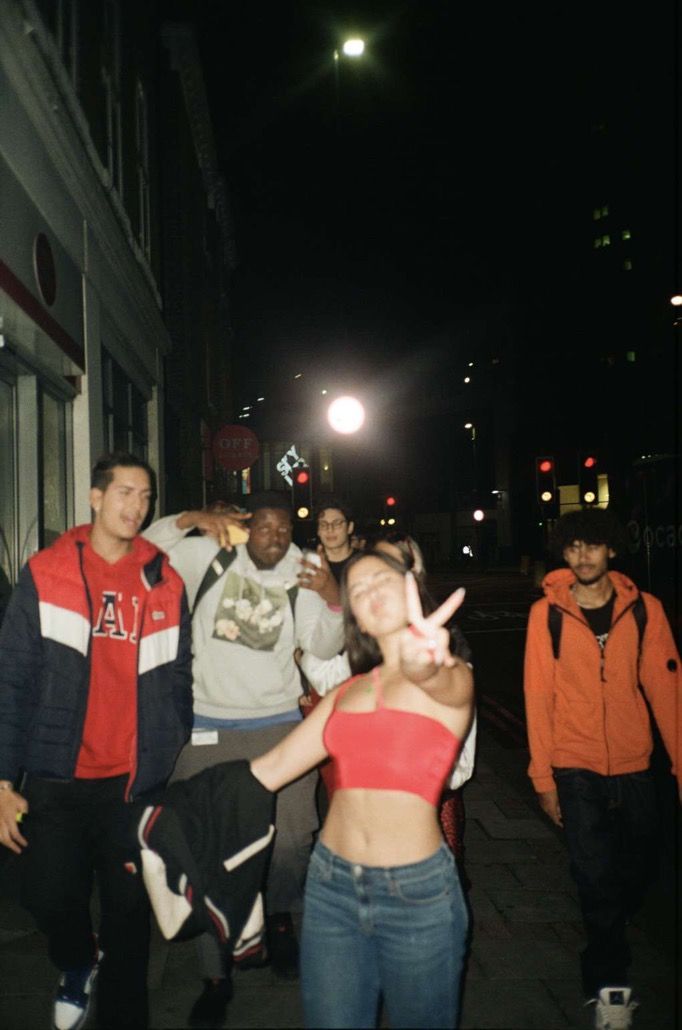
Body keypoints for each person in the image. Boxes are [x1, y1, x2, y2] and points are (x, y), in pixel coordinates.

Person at [0, 452, 193, 1030]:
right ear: (95, 497)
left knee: (129, 915)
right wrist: (3, 779)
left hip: (132, 781)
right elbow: (10, 678)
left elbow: (179, 669)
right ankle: (77, 962)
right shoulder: (46, 572)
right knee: (50, 895)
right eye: (126, 493)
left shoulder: (164, 577)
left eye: (146, 496)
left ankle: (125, 1013)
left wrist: (169, 737)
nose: (137, 506)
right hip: (56, 777)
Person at [142, 491, 344, 1024]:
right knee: (206, 845)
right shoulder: (204, 555)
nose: (274, 538)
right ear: (247, 527)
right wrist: (189, 519)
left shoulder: (304, 570)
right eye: (265, 528)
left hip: (278, 725)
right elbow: (144, 547)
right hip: (206, 725)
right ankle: (214, 974)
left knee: (293, 837)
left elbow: (323, 648)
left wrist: (331, 596)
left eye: (283, 530)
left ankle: (277, 915)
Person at [251, 550, 474, 1029]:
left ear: (411, 584)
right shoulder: (346, 693)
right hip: (331, 889)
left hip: (417, 894)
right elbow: (269, 769)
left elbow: (442, 680)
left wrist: (425, 663)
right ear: (357, 622)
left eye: (380, 579)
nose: (369, 592)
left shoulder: (450, 676)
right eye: (357, 590)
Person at [523, 508, 681, 1030]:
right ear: (563, 554)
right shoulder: (545, 615)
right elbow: (537, 696)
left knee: (639, 868)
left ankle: (611, 930)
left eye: (592, 547)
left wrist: (680, 764)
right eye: (573, 549)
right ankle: (610, 985)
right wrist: (543, 777)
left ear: (611, 550)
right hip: (574, 765)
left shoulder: (645, 611)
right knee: (593, 877)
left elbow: (666, 690)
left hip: (636, 764)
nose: (583, 557)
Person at [315, 497, 355, 583]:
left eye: (337, 523)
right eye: (323, 524)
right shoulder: (311, 567)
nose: (330, 529)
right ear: (318, 530)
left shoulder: (363, 562)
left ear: (350, 527)